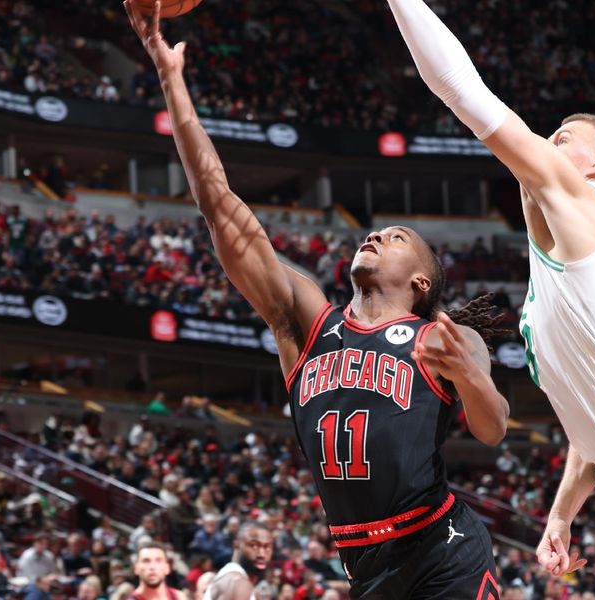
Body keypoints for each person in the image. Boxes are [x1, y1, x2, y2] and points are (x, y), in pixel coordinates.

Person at [123, 3, 509, 597]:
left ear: (422, 283)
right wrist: (170, 78)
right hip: (364, 561)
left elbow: (493, 428)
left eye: (398, 237)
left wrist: (472, 380)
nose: (376, 233)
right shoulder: (305, 322)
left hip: (440, 548)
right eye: (377, 230)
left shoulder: (443, 339)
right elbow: (219, 204)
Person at [384, 0, 595, 596]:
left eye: (561, 139)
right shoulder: (556, 275)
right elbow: (592, 429)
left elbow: (459, 87)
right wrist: (561, 514)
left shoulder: (589, 206)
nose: (543, 147)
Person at [202, 522, 273, 600]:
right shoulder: (237, 582)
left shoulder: (234, 578)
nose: (262, 555)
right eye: (254, 546)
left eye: (267, 547)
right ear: (236, 545)